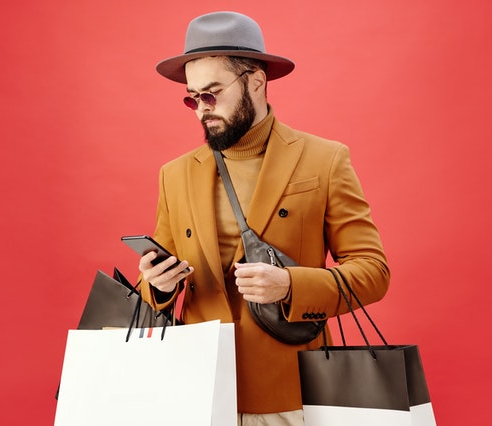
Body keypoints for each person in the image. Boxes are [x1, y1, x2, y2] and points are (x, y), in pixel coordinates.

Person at [137, 11, 390, 426]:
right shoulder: (175, 174)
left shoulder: (324, 160)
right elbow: (158, 285)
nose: (201, 109)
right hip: (197, 392)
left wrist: (291, 285)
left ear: (255, 80)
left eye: (212, 93)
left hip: (291, 392)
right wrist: (158, 286)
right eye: (192, 97)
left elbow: (374, 272)